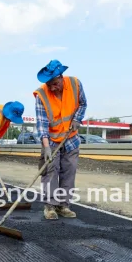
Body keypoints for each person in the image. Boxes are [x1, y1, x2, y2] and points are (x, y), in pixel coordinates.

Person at [34, 59, 87, 220]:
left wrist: (77, 120)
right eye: (49, 84)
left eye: (54, 83)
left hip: (70, 139)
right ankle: (50, 206)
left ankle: (63, 205)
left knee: (69, 171)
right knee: (50, 171)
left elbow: (83, 104)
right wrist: (47, 147)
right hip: (50, 141)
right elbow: (42, 124)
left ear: (61, 77)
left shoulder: (75, 84)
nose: (52, 87)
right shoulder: (41, 95)